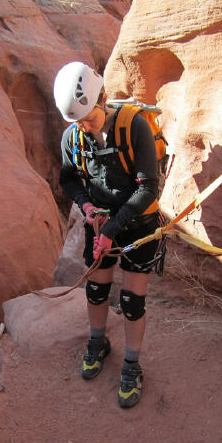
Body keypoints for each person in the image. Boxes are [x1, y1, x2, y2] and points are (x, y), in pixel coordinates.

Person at [54, 61, 161, 408]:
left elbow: (148, 188)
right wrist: (86, 207)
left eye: (89, 119)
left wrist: (114, 229)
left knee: (131, 302)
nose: (84, 127)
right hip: (100, 223)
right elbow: (69, 178)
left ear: (101, 98)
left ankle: (132, 365)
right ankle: (98, 342)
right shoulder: (73, 136)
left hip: (137, 224)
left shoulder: (135, 128)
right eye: (78, 122)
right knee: (97, 290)